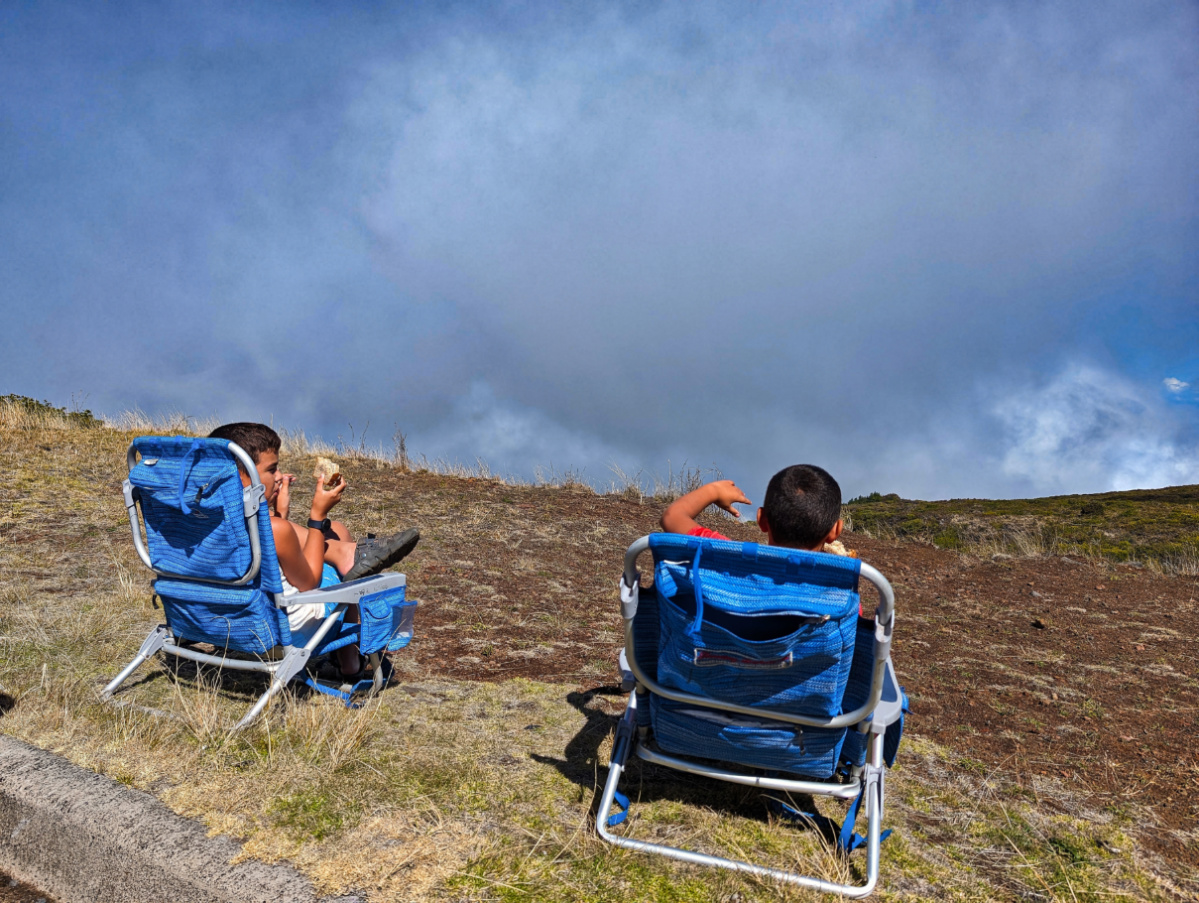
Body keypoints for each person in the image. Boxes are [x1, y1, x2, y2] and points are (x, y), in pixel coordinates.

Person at [208, 422, 419, 682]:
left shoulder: (196, 520)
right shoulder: (275, 529)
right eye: (272, 469)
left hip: (211, 621)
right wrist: (317, 516)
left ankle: (348, 554)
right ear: (242, 476)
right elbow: (308, 583)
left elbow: (261, 558)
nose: (279, 476)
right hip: (280, 631)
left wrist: (279, 513)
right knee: (349, 569)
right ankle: (351, 662)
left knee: (337, 530)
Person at [660, 464, 845, 553]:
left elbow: (672, 516)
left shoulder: (728, 557)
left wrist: (714, 490)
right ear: (835, 530)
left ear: (762, 520)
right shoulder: (840, 595)